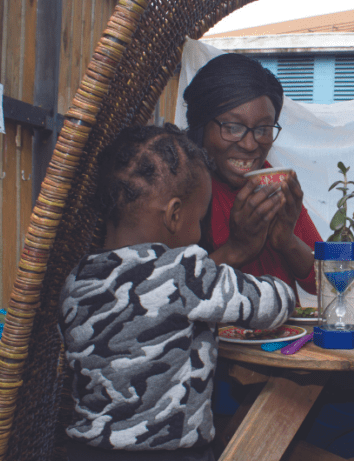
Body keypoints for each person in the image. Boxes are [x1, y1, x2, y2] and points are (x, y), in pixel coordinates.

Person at [59, 124, 295, 460]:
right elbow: (269, 304)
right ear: (174, 214)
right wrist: (282, 289)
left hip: (84, 451)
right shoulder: (184, 270)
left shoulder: (76, 280)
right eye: (199, 218)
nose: (199, 230)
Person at [183, 53, 320, 300]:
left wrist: (287, 242)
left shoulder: (273, 182)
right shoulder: (178, 186)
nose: (249, 144)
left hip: (283, 338)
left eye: (263, 129)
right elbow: (164, 294)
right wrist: (237, 249)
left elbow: (326, 280)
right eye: (233, 128)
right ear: (201, 126)